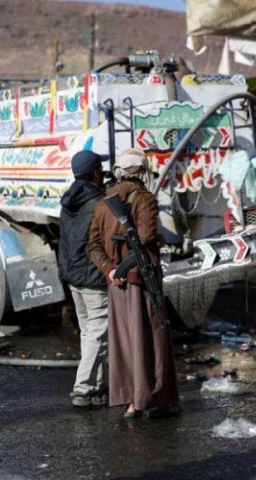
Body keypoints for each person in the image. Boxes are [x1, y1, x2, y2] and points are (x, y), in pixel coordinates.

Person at [87, 148, 180, 419]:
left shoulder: (103, 203)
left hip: (117, 283)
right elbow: (147, 236)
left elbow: (92, 246)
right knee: (153, 340)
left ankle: (130, 400)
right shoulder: (146, 199)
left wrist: (109, 269)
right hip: (142, 281)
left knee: (125, 344)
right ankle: (152, 400)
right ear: (141, 173)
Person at [58, 150, 108, 408]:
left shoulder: (69, 200)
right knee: (98, 335)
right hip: (92, 277)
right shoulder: (100, 203)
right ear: (95, 173)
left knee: (89, 332)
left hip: (73, 276)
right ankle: (84, 390)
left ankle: (97, 388)